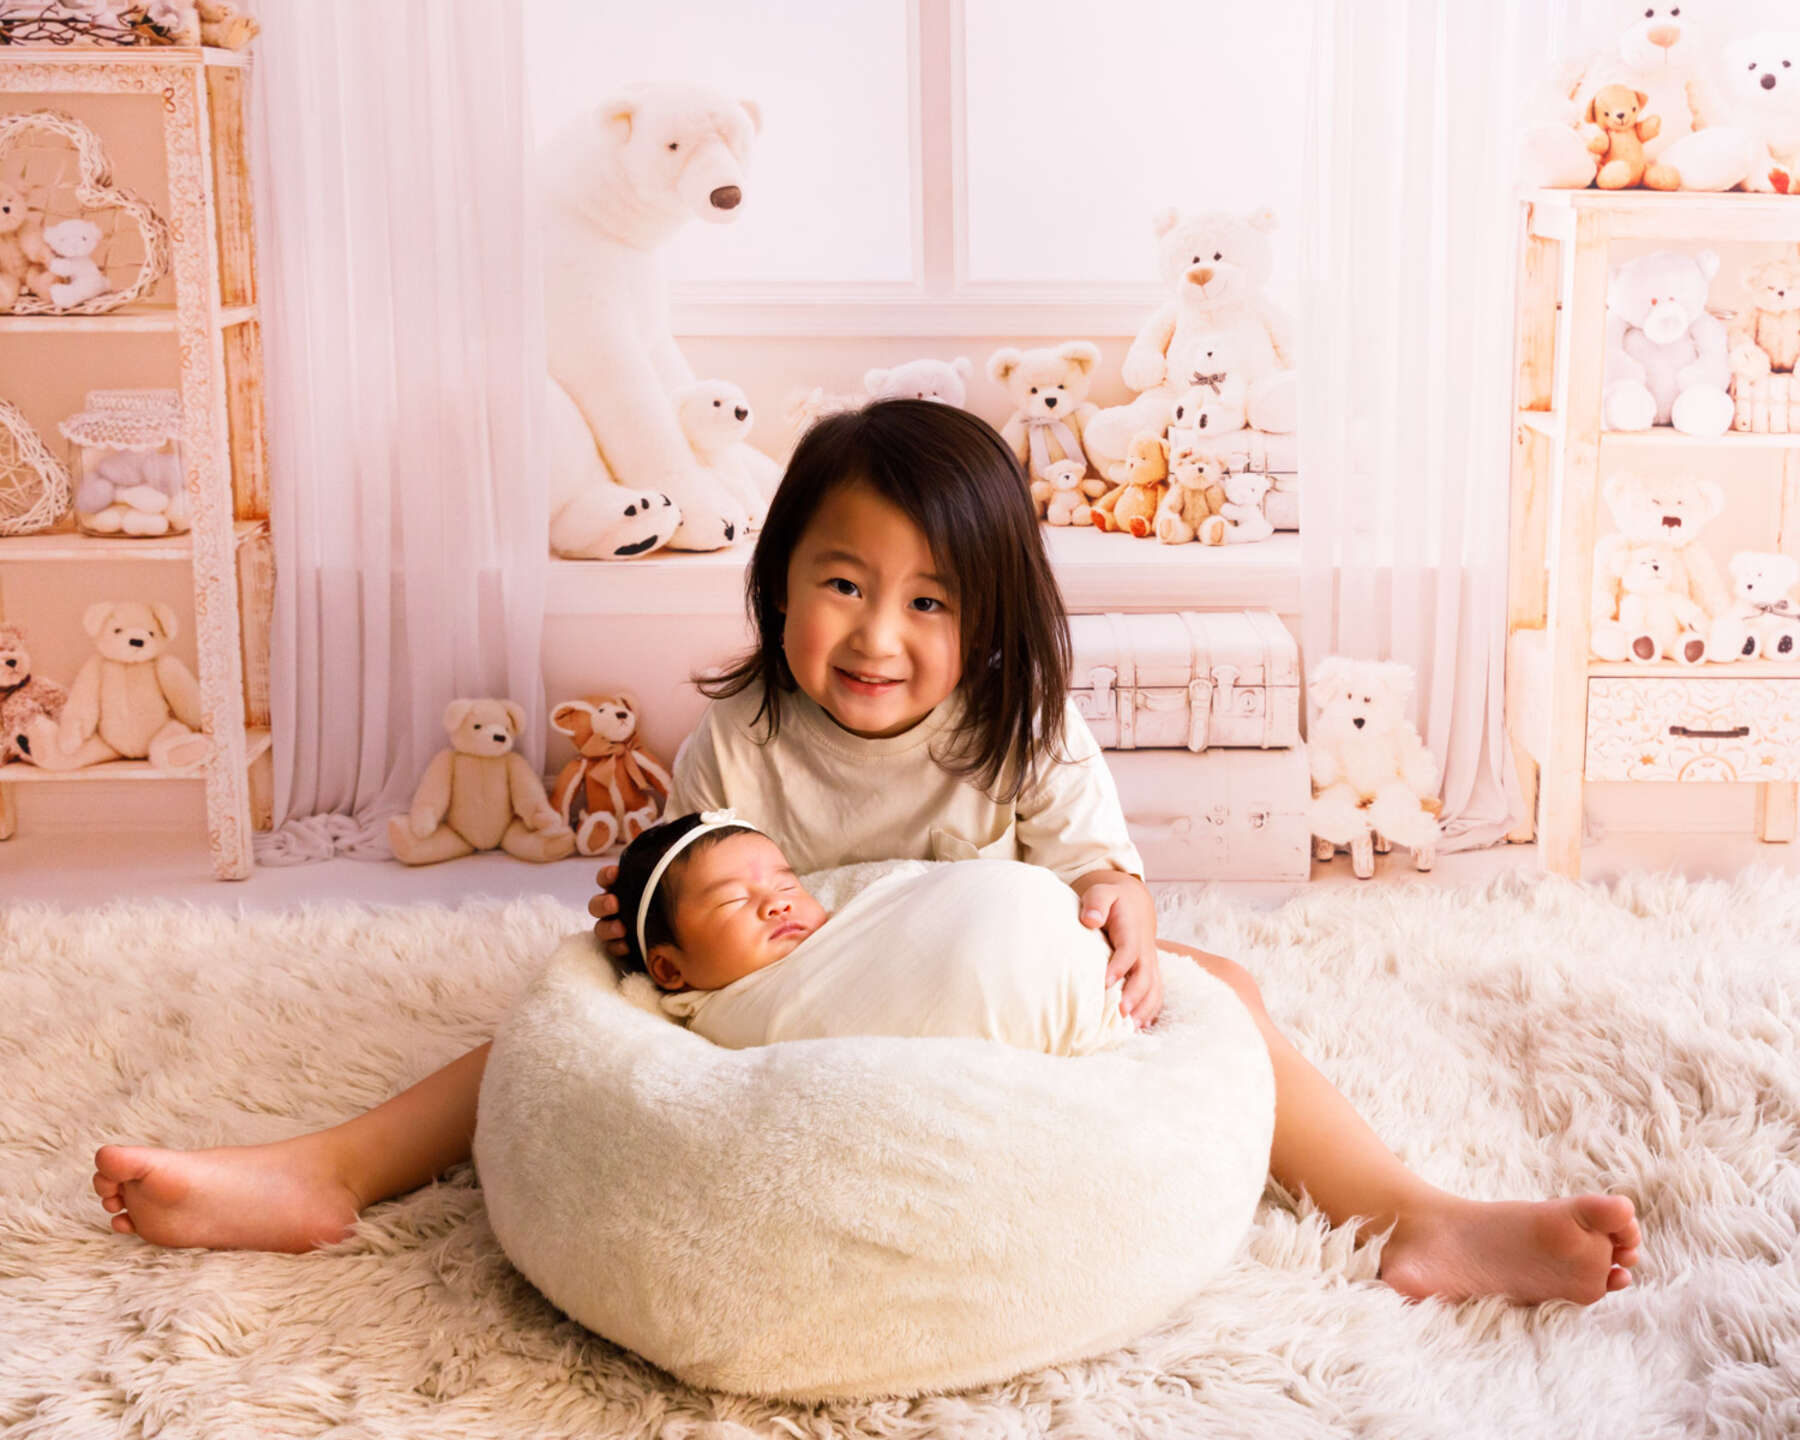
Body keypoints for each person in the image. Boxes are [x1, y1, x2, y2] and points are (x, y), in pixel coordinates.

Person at [93, 400, 1639, 1305]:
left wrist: (1121, 909)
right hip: (805, 1005)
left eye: (930, 603)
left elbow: (1104, 871)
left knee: (1223, 990)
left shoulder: (1022, 731)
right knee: (552, 1021)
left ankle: (1406, 1205)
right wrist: (656, 910)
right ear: (779, 590)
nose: (879, 636)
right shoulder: (742, 741)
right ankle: (325, 1169)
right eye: (842, 583)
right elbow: (713, 900)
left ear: (991, 624)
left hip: (988, 1000)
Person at [613, 810, 1136, 1056]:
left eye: (786, 882)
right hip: (1049, 1006)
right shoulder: (725, 1024)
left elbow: (899, 907)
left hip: (1080, 933)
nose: (776, 903)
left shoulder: (847, 925)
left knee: (1188, 969)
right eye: (732, 900)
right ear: (668, 968)